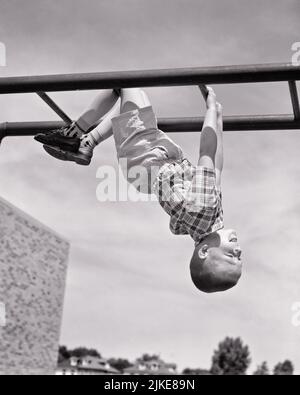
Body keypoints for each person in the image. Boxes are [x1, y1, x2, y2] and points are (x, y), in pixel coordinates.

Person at [35, 87, 243, 293]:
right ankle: (87, 143)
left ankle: (72, 134)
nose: (238, 250)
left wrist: (210, 110)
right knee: (131, 101)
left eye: (230, 256)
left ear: (205, 251)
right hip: (146, 166)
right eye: (239, 257)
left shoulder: (204, 209)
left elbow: (207, 150)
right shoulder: (209, 222)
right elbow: (217, 168)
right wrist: (219, 118)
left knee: (125, 85)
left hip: (146, 155)